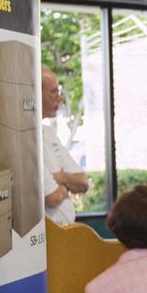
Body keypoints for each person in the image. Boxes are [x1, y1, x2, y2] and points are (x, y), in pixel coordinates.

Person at [42, 66, 89, 225]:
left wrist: (60, 177)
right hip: (51, 236)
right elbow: (52, 197)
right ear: (35, 93)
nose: (60, 98)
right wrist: (66, 186)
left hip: (68, 231)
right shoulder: (25, 139)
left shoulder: (48, 132)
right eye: (53, 92)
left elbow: (82, 182)